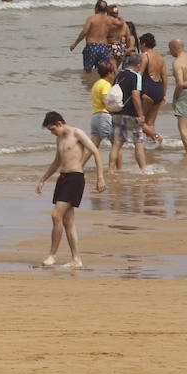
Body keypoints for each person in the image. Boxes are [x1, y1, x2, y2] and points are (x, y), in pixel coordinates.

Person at [35, 112, 106, 268]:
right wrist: (43, 179)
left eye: (53, 129)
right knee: (68, 221)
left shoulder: (77, 133)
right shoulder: (59, 139)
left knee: (56, 215)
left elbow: (95, 151)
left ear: (59, 124)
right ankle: (76, 259)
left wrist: (100, 177)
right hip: (63, 178)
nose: (52, 133)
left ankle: (52, 256)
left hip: (75, 178)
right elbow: (57, 161)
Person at [109, 54, 147, 172]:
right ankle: (143, 170)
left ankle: (110, 170)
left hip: (118, 112)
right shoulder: (136, 76)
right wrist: (140, 115)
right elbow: (135, 96)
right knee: (138, 143)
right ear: (138, 65)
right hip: (132, 114)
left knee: (116, 144)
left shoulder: (119, 75)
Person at [137, 33, 168, 145]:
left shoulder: (144, 56)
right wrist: (164, 94)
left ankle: (155, 138)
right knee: (150, 123)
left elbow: (139, 75)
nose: (139, 47)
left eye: (140, 44)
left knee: (137, 120)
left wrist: (134, 91)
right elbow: (164, 76)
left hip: (147, 89)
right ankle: (153, 147)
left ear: (144, 44)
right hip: (159, 89)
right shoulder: (160, 57)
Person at [69, 0, 115, 73]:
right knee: (103, 71)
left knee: (88, 71)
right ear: (106, 10)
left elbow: (84, 32)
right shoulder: (110, 20)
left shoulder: (91, 18)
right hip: (104, 47)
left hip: (92, 46)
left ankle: (89, 80)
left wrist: (75, 44)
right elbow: (114, 32)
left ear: (96, 9)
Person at [88, 60, 116, 151]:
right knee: (116, 144)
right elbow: (104, 99)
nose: (114, 75)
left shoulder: (96, 84)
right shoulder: (106, 84)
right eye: (113, 73)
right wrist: (112, 110)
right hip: (104, 116)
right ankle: (116, 161)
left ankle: (81, 161)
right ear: (109, 73)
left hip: (95, 116)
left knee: (94, 145)